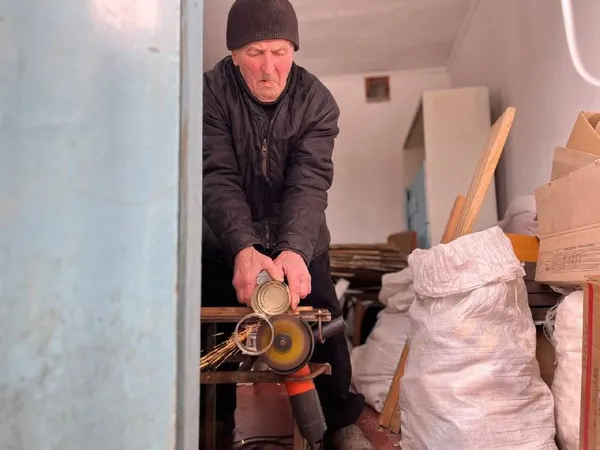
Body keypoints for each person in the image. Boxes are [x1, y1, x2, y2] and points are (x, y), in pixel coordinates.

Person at [201, 0, 373, 448]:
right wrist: (242, 247)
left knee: (324, 322)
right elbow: (216, 176)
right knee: (209, 337)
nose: (268, 68)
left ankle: (340, 425)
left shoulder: (317, 101)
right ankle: (211, 430)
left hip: (300, 234)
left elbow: (309, 182)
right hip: (222, 240)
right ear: (234, 54)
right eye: (254, 53)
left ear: (293, 49)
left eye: (279, 52)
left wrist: (294, 249)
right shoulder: (209, 94)